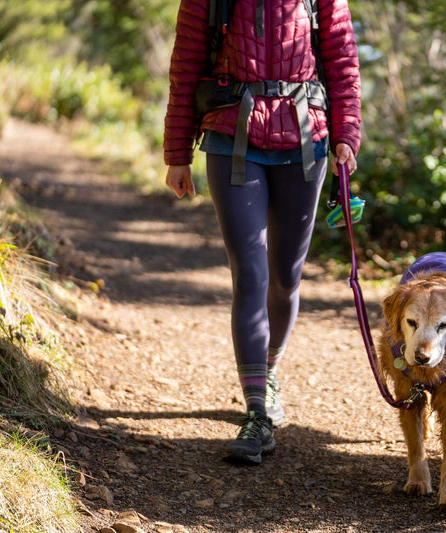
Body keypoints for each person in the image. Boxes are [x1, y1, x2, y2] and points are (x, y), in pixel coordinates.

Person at [163, 0, 361, 466]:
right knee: (249, 271)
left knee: (286, 276)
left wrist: (346, 136)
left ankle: (267, 372)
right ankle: (256, 412)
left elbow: (343, 62)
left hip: (305, 138)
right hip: (232, 136)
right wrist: (177, 152)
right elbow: (186, 64)